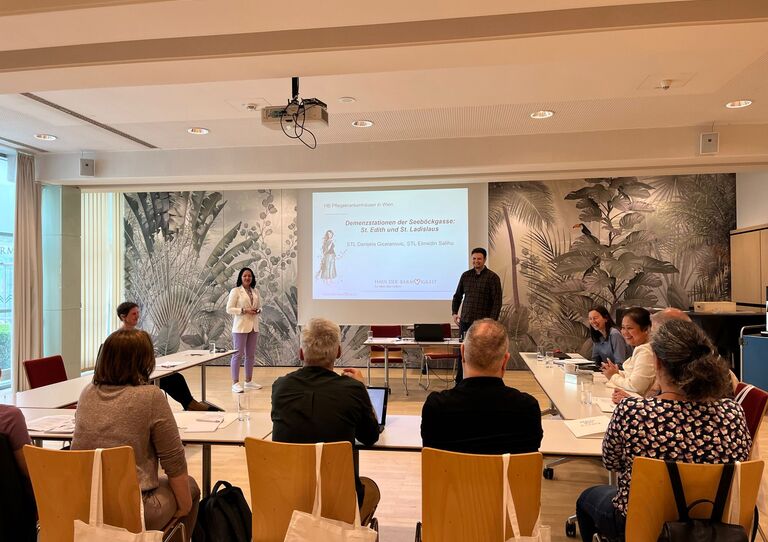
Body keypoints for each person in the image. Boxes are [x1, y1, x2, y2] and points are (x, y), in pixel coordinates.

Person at [576, 319, 752, 541]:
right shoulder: (732, 412)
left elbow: (611, 463)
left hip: (642, 524)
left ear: (657, 363)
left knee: (586, 499)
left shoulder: (633, 412)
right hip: (713, 523)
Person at [72, 329, 200, 538]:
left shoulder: (87, 393)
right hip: (135, 507)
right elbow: (174, 461)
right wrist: (184, 506)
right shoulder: (150, 397)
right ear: (145, 361)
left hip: (85, 502)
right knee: (191, 488)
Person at [271, 317, 381, 525]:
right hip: (338, 501)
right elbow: (370, 436)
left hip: (287, 496)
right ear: (338, 352)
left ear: (301, 353)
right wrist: (363, 390)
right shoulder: (352, 390)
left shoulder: (281, 388)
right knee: (371, 489)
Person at [421, 318, 542, 454]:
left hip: (454, 475)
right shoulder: (527, 408)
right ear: (505, 361)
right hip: (506, 476)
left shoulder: (436, 408)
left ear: (462, 354)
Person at [116, 302, 211, 411]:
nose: (137, 316)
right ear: (123, 317)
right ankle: (190, 404)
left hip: (143, 372)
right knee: (172, 380)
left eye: (138, 313)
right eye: (133, 314)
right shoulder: (119, 337)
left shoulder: (138, 334)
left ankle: (190, 403)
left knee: (176, 377)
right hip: (131, 377)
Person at [451, 248, 502, 384]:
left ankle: (481, 381)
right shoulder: (465, 276)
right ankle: (460, 382)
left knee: (482, 354)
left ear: (484, 260)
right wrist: (454, 313)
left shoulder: (492, 277)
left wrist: (491, 322)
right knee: (463, 352)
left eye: (479, 259)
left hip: (483, 325)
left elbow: (497, 302)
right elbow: (457, 296)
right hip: (465, 322)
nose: (476, 261)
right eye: (474, 258)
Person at [601, 307, 655, 399]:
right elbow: (632, 376)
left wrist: (613, 376)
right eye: (623, 328)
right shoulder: (641, 348)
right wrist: (616, 372)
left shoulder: (646, 351)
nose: (625, 332)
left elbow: (636, 386)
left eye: (629, 328)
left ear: (646, 329)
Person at [226, 267, 262, 393]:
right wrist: (243, 310)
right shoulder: (235, 291)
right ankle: (235, 382)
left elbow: (259, 306)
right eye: (245, 276)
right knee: (238, 354)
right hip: (240, 327)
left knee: (250, 355)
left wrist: (258, 310)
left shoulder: (255, 290)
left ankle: (248, 381)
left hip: (253, 326)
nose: (247, 278)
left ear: (252, 278)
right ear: (241, 277)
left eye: (249, 276)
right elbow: (229, 309)